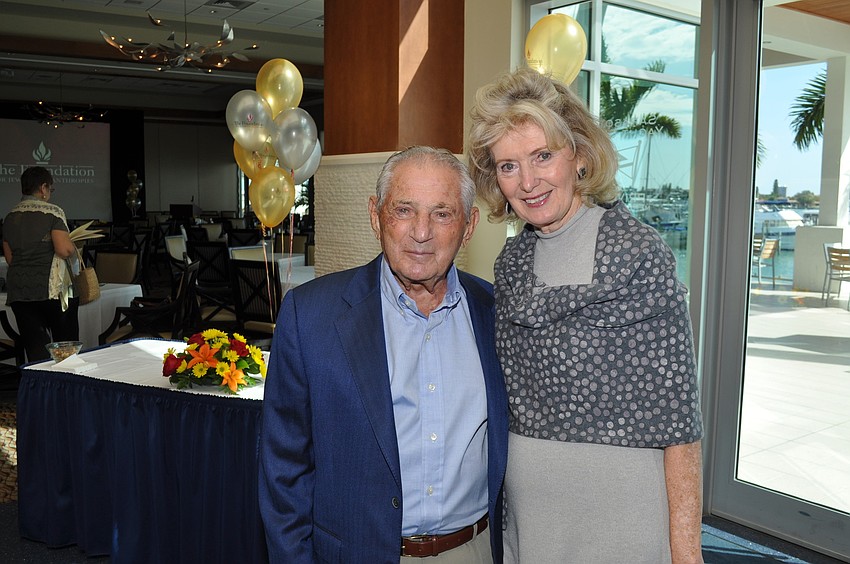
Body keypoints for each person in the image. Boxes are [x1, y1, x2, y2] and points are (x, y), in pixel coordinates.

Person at [466, 67, 704, 563]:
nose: (528, 182)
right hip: (531, 519)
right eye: (508, 166)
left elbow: (679, 419)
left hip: (622, 518)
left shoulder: (638, 254)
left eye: (543, 156)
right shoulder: (511, 265)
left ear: (578, 154)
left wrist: (687, 552)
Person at [259, 146, 509, 563]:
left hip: (474, 550)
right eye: (404, 210)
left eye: (442, 214)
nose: (421, 232)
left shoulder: (497, 313)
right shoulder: (311, 316)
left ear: (468, 227)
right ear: (376, 216)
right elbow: (283, 470)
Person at [2, 166, 79, 362]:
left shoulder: (9, 217)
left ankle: (39, 380)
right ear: (43, 188)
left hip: (19, 290)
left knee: (36, 350)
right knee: (65, 348)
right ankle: (67, 379)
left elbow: (10, 258)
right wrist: (73, 247)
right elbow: (62, 249)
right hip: (51, 290)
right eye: (50, 189)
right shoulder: (53, 212)